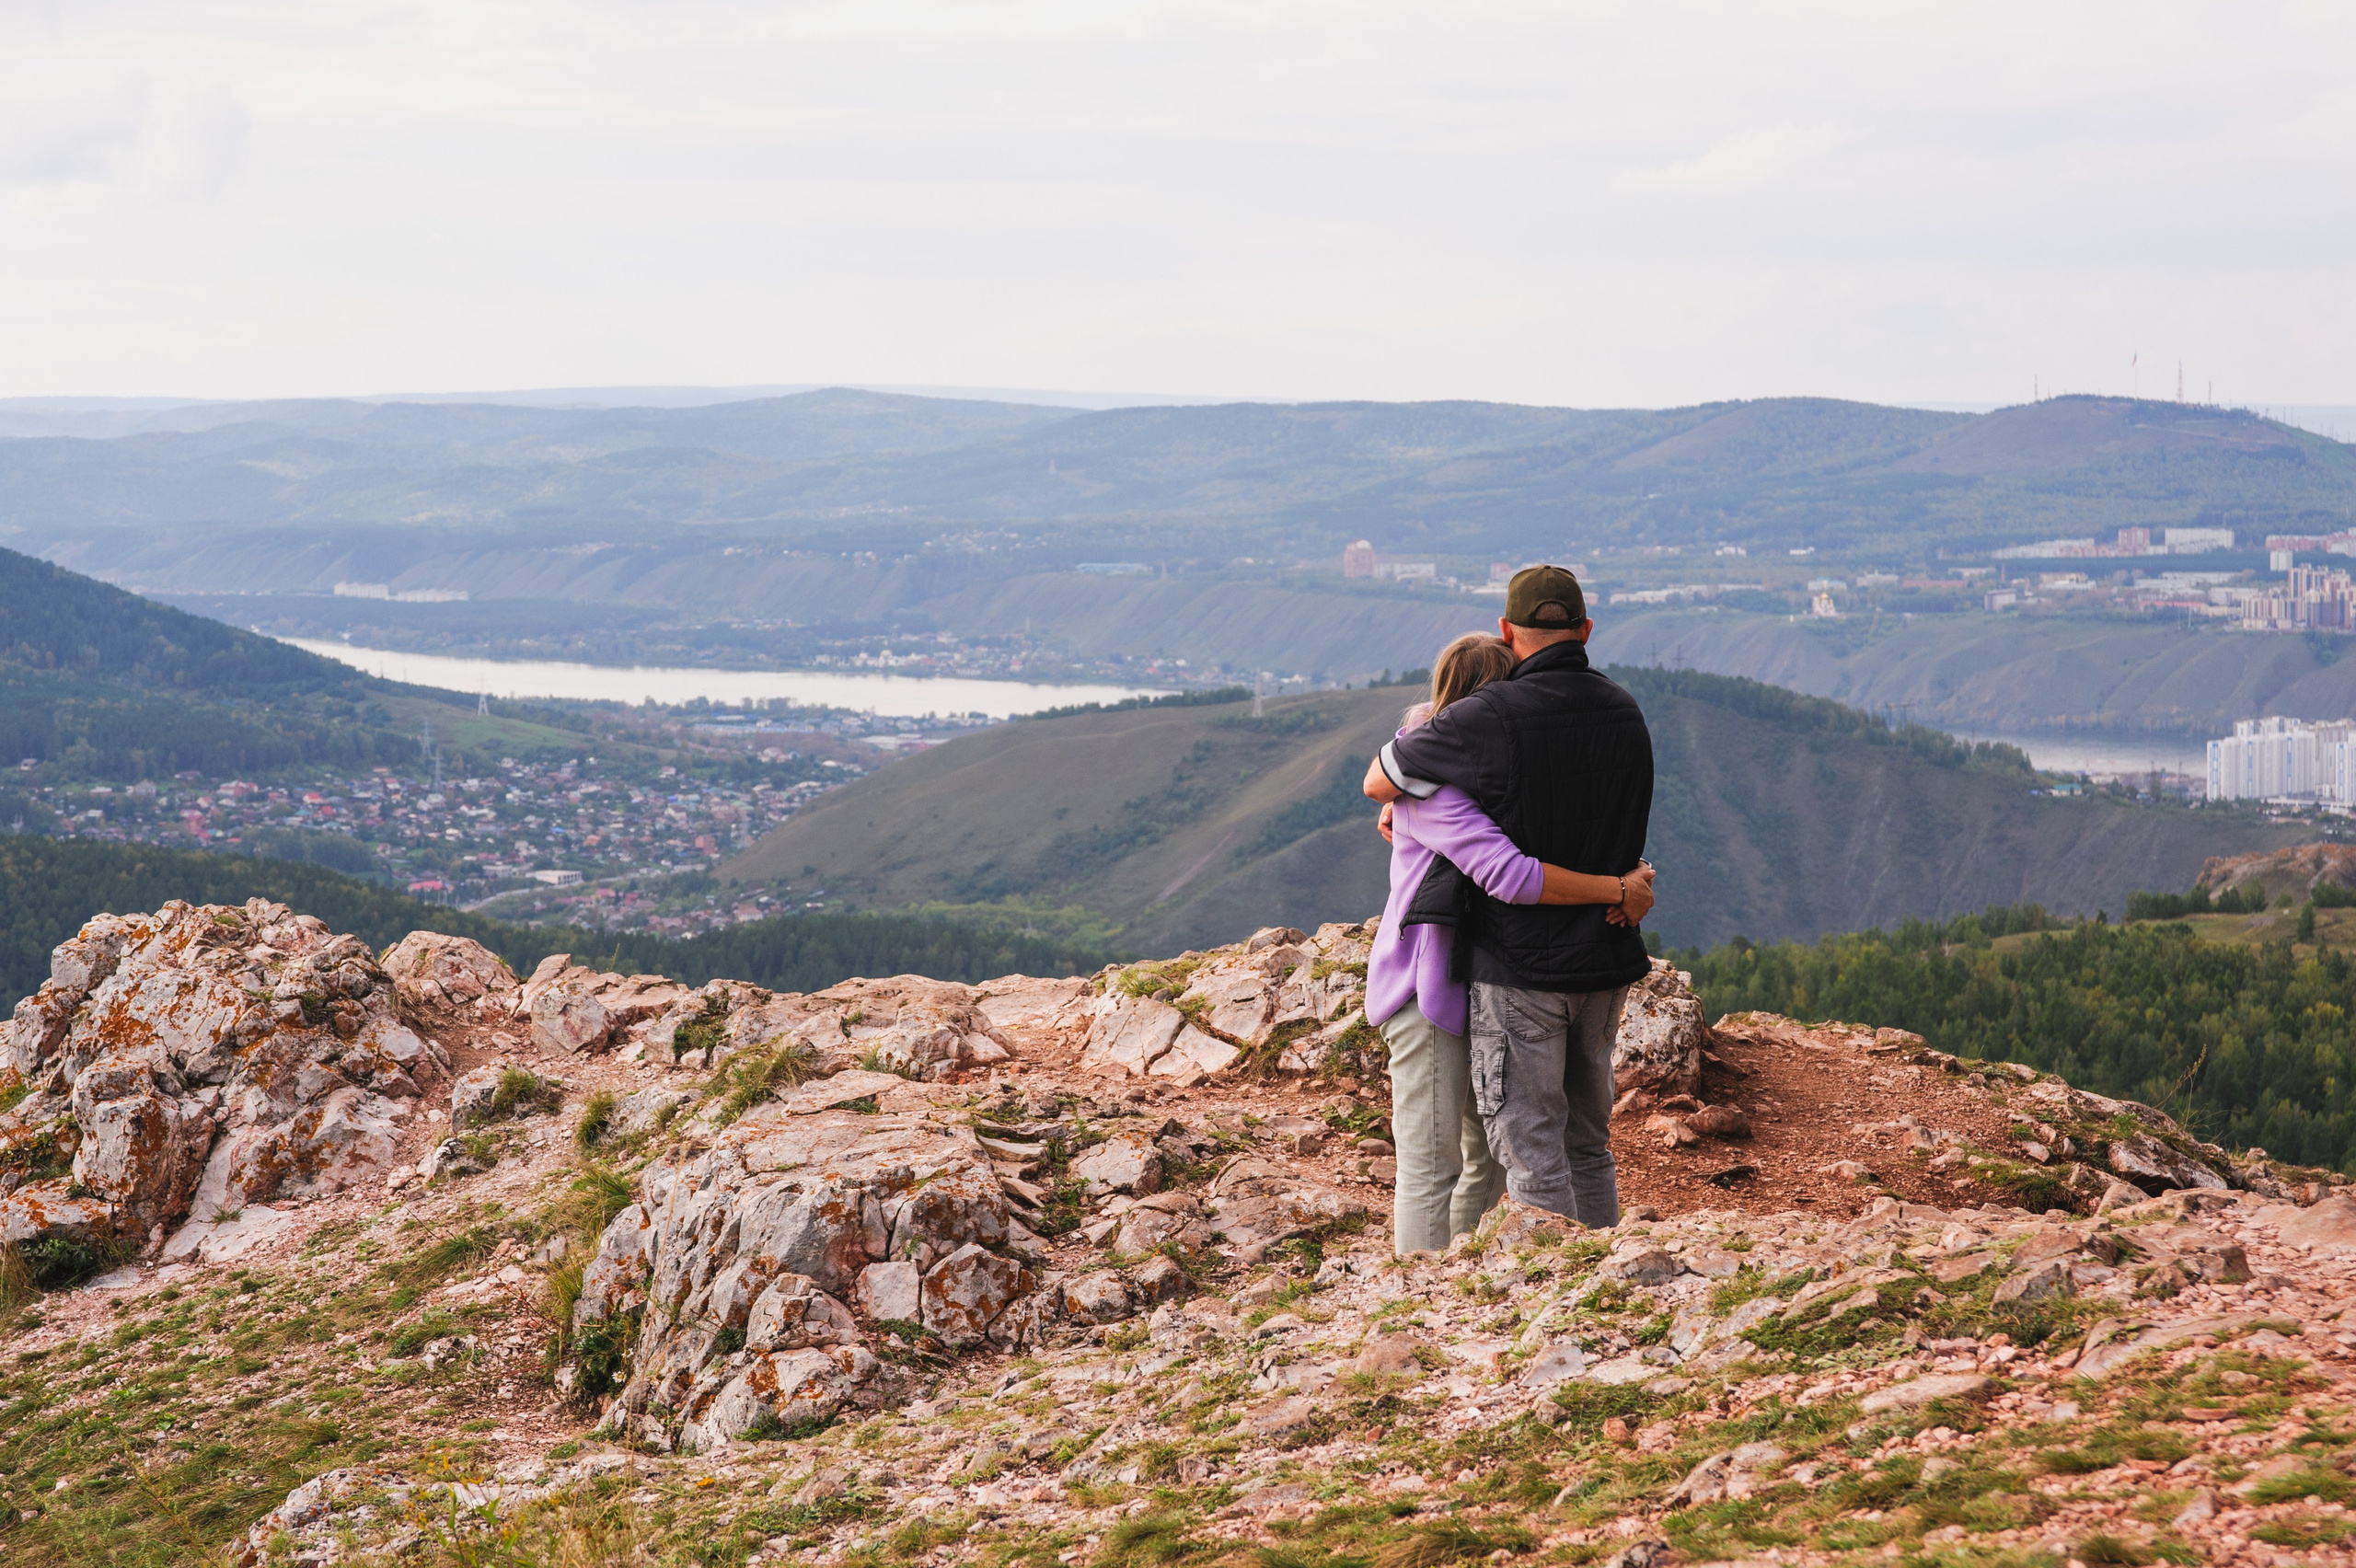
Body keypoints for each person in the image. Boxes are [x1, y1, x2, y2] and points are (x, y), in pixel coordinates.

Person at [1362, 565, 1654, 1229]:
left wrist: (1398, 797)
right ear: (1586, 629)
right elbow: (1543, 850)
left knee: (1519, 1156)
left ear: (1508, 628)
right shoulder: (1623, 709)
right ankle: (1566, 1270)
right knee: (1569, 1147)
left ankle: (1537, 1275)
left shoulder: (1488, 736)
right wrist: (1625, 883)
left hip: (1515, 971)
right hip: (1568, 962)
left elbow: (1387, 781)